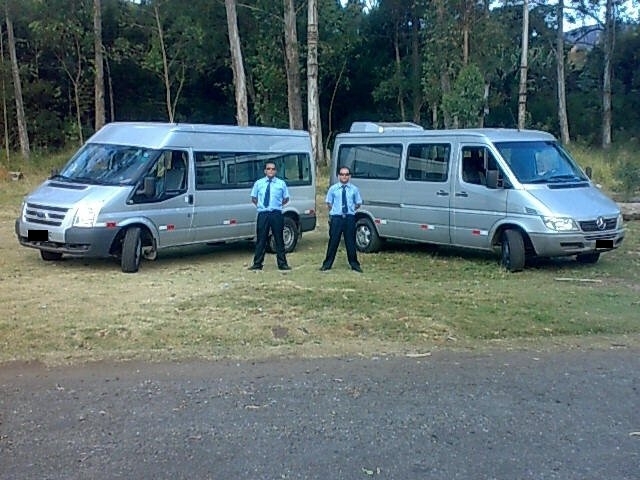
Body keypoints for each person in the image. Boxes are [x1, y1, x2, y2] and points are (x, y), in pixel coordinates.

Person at [249, 161, 291, 271]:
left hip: (276, 213)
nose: (270, 171)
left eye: (273, 169)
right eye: (268, 169)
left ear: (276, 171)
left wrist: (277, 205)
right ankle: (257, 264)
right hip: (263, 213)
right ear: (265, 171)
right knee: (261, 239)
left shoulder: (281, 184)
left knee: (279, 239)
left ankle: (282, 264)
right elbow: (254, 198)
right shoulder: (259, 183)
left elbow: (286, 198)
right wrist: (261, 206)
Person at [320, 166, 363, 273]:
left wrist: (350, 210)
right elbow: (329, 203)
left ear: (349, 176)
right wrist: (336, 212)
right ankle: (327, 264)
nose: (344, 176)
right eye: (342, 174)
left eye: (346, 174)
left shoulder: (354, 189)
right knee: (333, 241)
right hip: (337, 218)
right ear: (339, 176)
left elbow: (358, 203)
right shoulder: (333, 189)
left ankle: (354, 264)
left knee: (350, 242)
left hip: (349, 218)